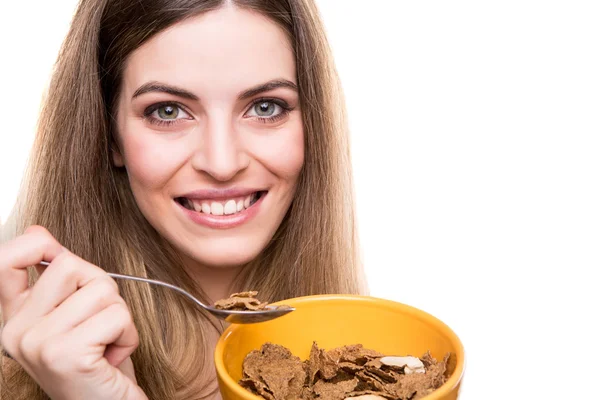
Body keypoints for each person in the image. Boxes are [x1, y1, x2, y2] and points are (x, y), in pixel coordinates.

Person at [0, 0, 365, 398]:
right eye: (168, 111)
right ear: (109, 135)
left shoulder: (383, 363)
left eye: (266, 107)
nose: (222, 163)